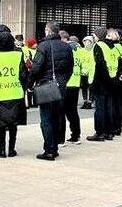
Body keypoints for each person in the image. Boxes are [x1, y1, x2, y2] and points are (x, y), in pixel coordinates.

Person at [30, 22, 73, 161]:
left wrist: (30, 83)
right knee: (57, 118)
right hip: (61, 86)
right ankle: (55, 147)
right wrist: (63, 81)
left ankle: (49, 150)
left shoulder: (43, 46)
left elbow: (36, 68)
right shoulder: (67, 46)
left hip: (46, 86)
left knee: (46, 119)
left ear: (48, 31)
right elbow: (70, 67)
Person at [0, 32, 28, 158]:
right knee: (13, 123)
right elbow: (23, 74)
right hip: (15, 92)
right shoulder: (18, 55)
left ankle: (1, 150)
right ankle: (11, 150)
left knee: (1, 123)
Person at [86, 27, 118, 141]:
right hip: (111, 79)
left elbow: (99, 64)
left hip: (100, 81)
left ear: (98, 36)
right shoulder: (110, 47)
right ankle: (109, 132)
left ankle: (99, 133)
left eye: (94, 35)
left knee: (99, 108)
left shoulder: (98, 46)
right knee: (108, 107)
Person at [60, 36, 83, 145]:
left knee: (62, 112)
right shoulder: (79, 53)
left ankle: (61, 139)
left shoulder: (66, 53)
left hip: (67, 84)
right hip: (76, 84)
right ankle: (76, 135)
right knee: (73, 111)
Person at [80, 35, 95, 109]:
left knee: (91, 88)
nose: (87, 43)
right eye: (85, 41)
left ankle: (90, 101)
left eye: (89, 41)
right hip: (83, 73)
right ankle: (85, 101)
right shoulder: (81, 50)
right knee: (84, 87)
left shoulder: (93, 51)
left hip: (91, 73)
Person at [22, 37, 38, 108]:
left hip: (36, 70)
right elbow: (27, 60)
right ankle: (29, 103)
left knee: (35, 88)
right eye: (34, 43)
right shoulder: (27, 50)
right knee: (29, 88)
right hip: (30, 71)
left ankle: (35, 102)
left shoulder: (37, 50)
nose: (36, 44)